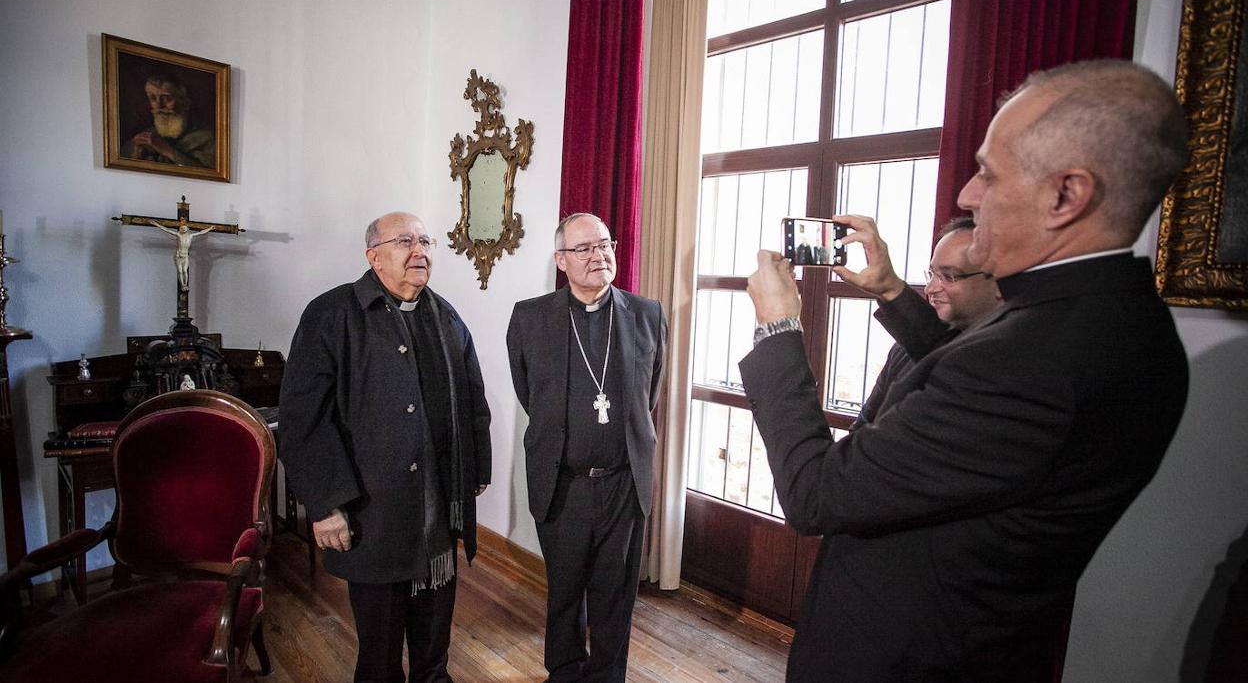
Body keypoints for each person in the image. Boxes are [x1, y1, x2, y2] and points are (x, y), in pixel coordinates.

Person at [740, 60, 1190, 680]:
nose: (967, 196)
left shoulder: (1034, 364)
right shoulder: (1115, 323)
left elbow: (817, 493)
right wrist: (892, 289)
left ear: (1067, 194)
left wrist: (778, 329)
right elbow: (964, 376)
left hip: (903, 658)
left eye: (989, 172)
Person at [280, 212, 492, 683]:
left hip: (437, 514)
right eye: (404, 241)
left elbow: (473, 399)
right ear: (373, 257)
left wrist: (474, 469)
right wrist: (326, 504)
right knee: (378, 656)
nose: (420, 250)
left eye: (425, 241)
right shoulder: (332, 315)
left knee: (434, 652)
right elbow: (302, 419)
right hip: (372, 513)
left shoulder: (445, 316)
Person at [506, 213, 667, 682]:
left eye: (604, 244)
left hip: (622, 483)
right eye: (583, 249)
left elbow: (647, 394)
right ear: (561, 260)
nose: (598, 255)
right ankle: (564, 672)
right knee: (565, 590)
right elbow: (529, 392)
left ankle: (607, 675)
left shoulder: (647, 314)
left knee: (615, 595)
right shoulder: (530, 318)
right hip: (564, 483)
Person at [847, 215, 1001, 429]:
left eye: (948, 277)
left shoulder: (1010, 362)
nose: (930, 289)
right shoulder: (903, 350)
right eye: (932, 275)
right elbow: (862, 427)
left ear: (999, 282)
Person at [122, 74, 215, 167]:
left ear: (185, 104)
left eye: (167, 98)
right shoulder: (145, 136)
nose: (159, 105)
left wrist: (167, 150)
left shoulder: (207, 138)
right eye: (153, 98)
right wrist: (135, 157)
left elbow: (209, 174)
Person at [151, 221, 215, 292]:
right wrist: (156, 224)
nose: (183, 229)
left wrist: (210, 228)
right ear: (180, 229)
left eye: (184, 228)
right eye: (182, 228)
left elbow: (201, 232)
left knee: (185, 271)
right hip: (179, 256)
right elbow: (167, 230)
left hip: (185, 256)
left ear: (187, 229)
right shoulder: (179, 235)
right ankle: (182, 285)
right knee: (180, 271)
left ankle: (185, 284)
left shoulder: (190, 236)